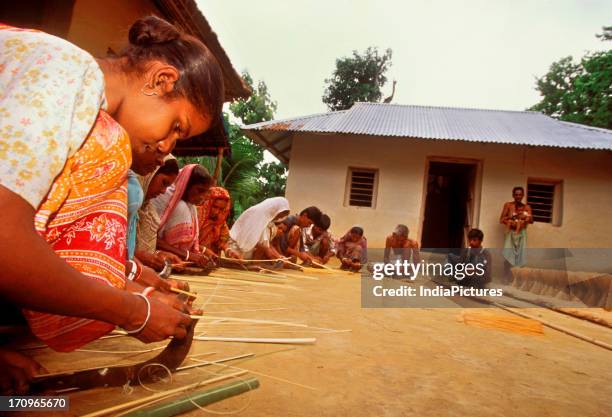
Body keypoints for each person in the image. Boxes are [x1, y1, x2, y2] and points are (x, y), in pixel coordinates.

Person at [0, 15, 223, 392]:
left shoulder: (81, 99)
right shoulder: (69, 72)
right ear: (161, 80)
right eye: (176, 126)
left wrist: (131, 288)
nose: (169, 147)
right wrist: (131, 311)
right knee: (109, 150)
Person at [153, 164, 213, 266]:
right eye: (200, 190)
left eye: (206, 192)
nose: (202, 197)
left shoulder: (191, 207)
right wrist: (188, 255)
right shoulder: (164, 198)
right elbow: (152, 239)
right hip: (160, 260)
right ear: (186, 184)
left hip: (176, 263)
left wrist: (202, 251)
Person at [134, 157, 185, 271]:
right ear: (149, 175)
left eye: (167, 187)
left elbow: (145, 252)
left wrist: (158, 255)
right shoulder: (125, 202)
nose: (163, 191)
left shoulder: (149, 215)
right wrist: (137, 256)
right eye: (164, 183)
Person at [197, 187, 240, 260]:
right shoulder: (196, 214)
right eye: (215, 207)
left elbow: (221, 242)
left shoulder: (220, 222)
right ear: (208, 202)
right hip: (190, 258)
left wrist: (228, 251)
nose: (217, 212)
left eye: (221, 209)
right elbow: (186, 241)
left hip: (210, 261)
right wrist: (204, 250)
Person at [500, 186, 532, 269]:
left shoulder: (527, 207)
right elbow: (501, 219)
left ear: (523, 195)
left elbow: (531, 220)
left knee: (520, 255)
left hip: (521, 233)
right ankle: (506, 276)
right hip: (510, 232)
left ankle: (517, 277)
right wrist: (510, 222)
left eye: (520, 195)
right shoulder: (508, 205)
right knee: (508, 254)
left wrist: (526, 217)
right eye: (516, 194)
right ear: (513, 195)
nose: (518, 196)